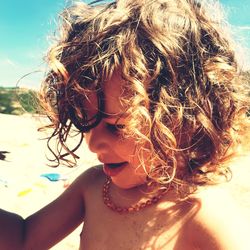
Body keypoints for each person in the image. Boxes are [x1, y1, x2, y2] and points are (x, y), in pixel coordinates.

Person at [1, 0, 250, 249]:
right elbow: (24, 239)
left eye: (116, 127)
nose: (93, 143)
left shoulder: (199, 210)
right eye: (85, 124)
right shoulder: (93, 187)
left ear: (185, 119)